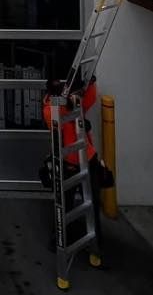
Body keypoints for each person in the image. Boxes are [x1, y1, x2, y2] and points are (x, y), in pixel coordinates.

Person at [42, 75, 111, 257]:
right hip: (68, 162)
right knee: (64, 204)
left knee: (92, 203)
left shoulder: (74, 101)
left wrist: (91, 82)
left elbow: (90, 98)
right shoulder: (51, 108)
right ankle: (59, 240)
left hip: (88, 159)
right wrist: (70, 102)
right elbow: (57, 113)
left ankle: (96, 244)